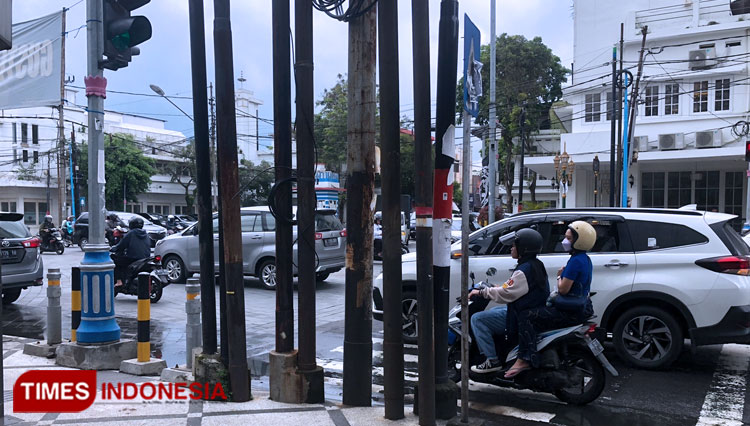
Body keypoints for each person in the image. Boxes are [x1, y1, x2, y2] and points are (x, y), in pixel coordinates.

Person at [504, 220, 596, 379]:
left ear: (579, 241)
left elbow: (563, 289)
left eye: (569, 238)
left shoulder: (575, 261)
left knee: (527, 315)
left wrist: (560, 276)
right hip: (580, 308)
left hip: (569, 311)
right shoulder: (585, 259)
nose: (564, 241)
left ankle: (525, 358)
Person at [468, 228, 548, 374]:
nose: (511, 248)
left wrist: (482, 292)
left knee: (477, 319)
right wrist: (498, 287)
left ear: (523, 248)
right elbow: (514, 288)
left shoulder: (524, 269)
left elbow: (505, 294)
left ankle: (492, 360)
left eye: (514, 245)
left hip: (520, 313)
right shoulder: (534, 264)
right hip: (528, 309)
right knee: (493, 311)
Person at [111, 216, 151, 287]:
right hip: (145, 258)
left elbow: (121, 245)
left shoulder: (131, 233)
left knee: (116, 261)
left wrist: (112, 248)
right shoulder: (146, 234)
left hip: (133, 258)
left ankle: (119, 281)